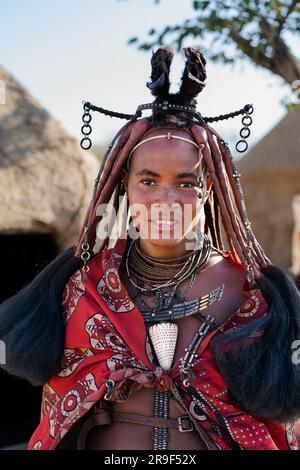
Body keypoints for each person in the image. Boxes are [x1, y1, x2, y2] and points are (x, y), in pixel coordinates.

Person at [1, 46, 300, 451]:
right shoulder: (83, 288)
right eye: (148, 181)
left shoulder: (249, 295)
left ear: (209, 189)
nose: (166, 199)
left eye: (187, 183)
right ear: (125, 185)